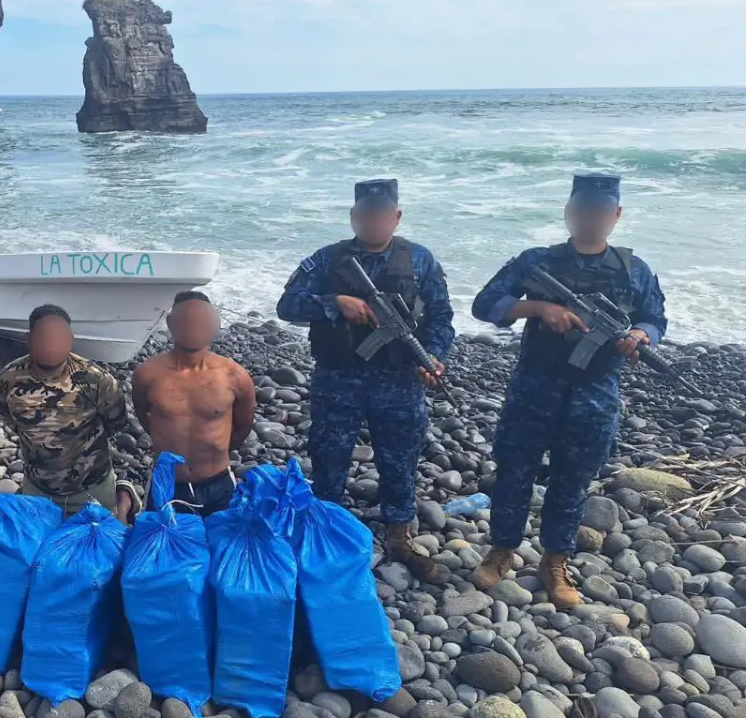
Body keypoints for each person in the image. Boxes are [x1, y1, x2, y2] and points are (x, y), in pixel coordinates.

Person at [470, 172, 667, 609]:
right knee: (514, 472)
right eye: (583, 209)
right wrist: (538, 307)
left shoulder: (634, 270)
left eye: (601, 211)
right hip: (535, 386)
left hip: (596, 391)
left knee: (572, 481)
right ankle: (502, 549)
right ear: (569, 212)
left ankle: (555, 560)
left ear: (615, 215)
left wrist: (640, 335)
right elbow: (485, 304)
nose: (591, 218)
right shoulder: (537, 261)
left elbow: (656, 319)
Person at [276, 178, 455, 584]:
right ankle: (325, 532)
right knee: (329, 456)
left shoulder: (420, 261)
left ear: (396, 216)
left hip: (399, 381)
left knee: (400, 459)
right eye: (366, 214)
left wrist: (434, 357)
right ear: (355, 216)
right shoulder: (328, 259)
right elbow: (286, 306)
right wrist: (334, 304)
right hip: (338, 378)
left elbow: (442, 318)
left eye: (382, 215)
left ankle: (399, 536)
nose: (374, 221)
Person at [0, 305, 140, 521]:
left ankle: (121, 495)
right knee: (36, 552)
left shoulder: (97, 380)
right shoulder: (7, 380)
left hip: (91, 488)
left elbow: (115, 423)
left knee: (101, 549)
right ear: (28, 338)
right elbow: (9, 419)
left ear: (71, 339)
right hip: (38, 489)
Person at [131, 291, 256, 517]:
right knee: (163, 549)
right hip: (168, 485)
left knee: (220, 548)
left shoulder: (234, 376)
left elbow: (243, 426)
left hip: (218, 484)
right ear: (170, 323)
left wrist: (216, 451)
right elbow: (144, 415)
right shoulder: (147, 374)